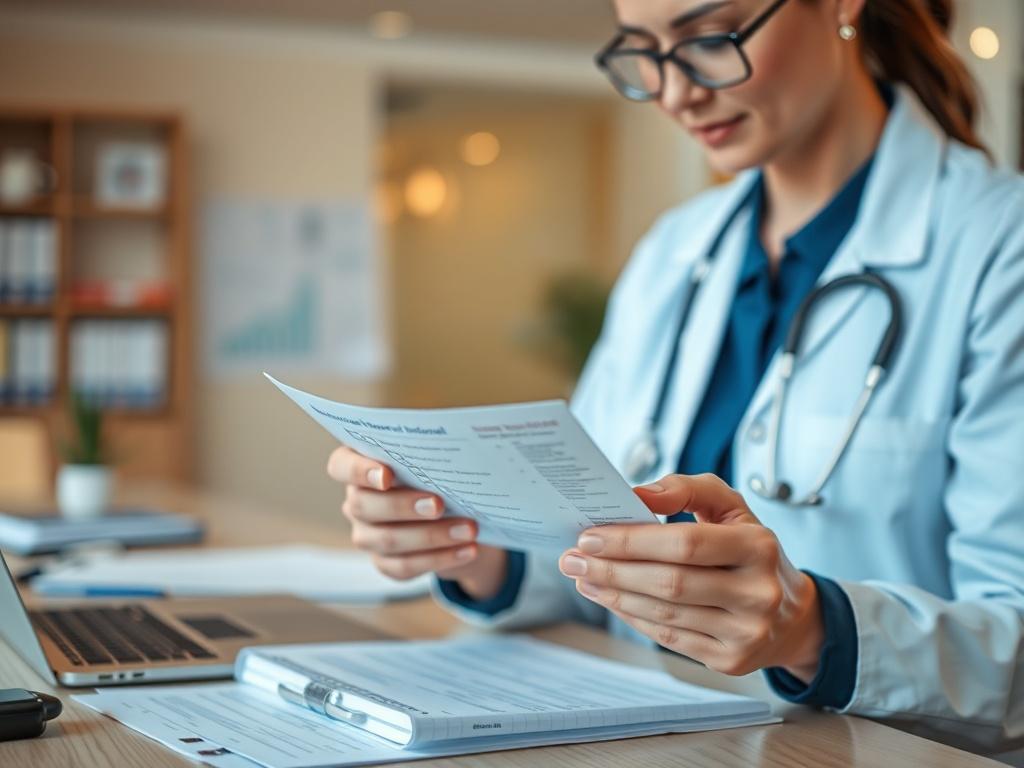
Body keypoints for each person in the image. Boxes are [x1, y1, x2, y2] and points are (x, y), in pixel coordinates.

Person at [328, 0, 1024, 756]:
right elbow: (591, 545)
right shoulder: (674, 251)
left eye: (707, 36)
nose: (675, 92)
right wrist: (469, 541)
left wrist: (810, 630)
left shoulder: (999, 249)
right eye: (646, 51)